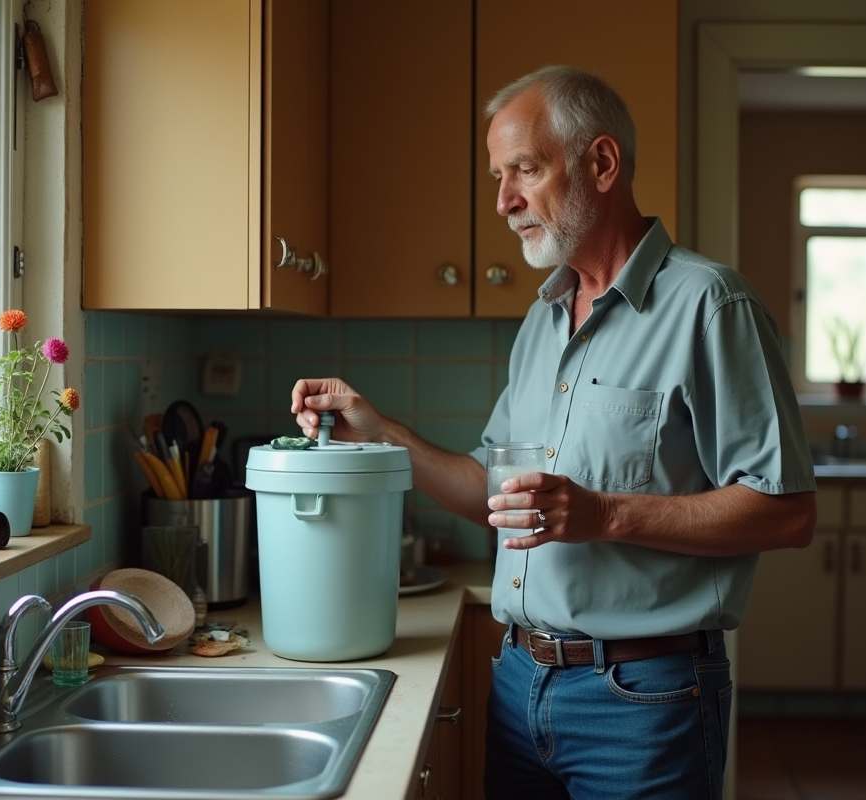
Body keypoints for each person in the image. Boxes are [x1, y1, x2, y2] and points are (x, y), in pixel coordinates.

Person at [291, 65, 817, 800]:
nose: (503, 202)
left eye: (525, 171)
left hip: (644, 701)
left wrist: (604, 514)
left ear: (601, 164)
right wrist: (377, 432)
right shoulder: (543, 319)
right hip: (518, 686)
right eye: (498, 176)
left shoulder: (711, 306)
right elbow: (491, 492)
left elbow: (788, 512)